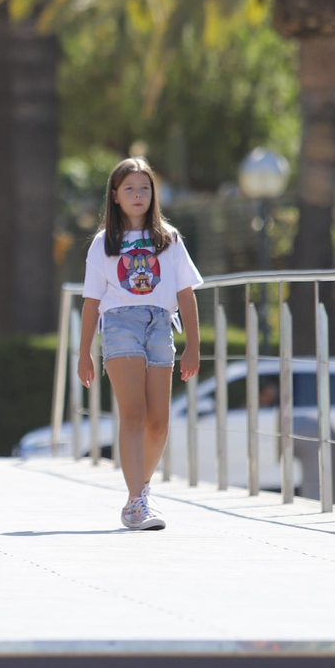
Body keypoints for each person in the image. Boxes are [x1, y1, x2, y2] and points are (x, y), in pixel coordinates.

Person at [77, 158, 202, 530]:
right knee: (132, 412)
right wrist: (84, 353)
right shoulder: (103, 243)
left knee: (158, 423)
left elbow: (186, 293)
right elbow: (91, 301)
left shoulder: (169, 238)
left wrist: (194, 346)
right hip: (119, 324)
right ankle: (135, 503)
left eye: (144, 188)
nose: (137, 195)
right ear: (115, 196)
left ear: (153, 194)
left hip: (160, 325)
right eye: (129, 188)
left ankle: (141, 490)